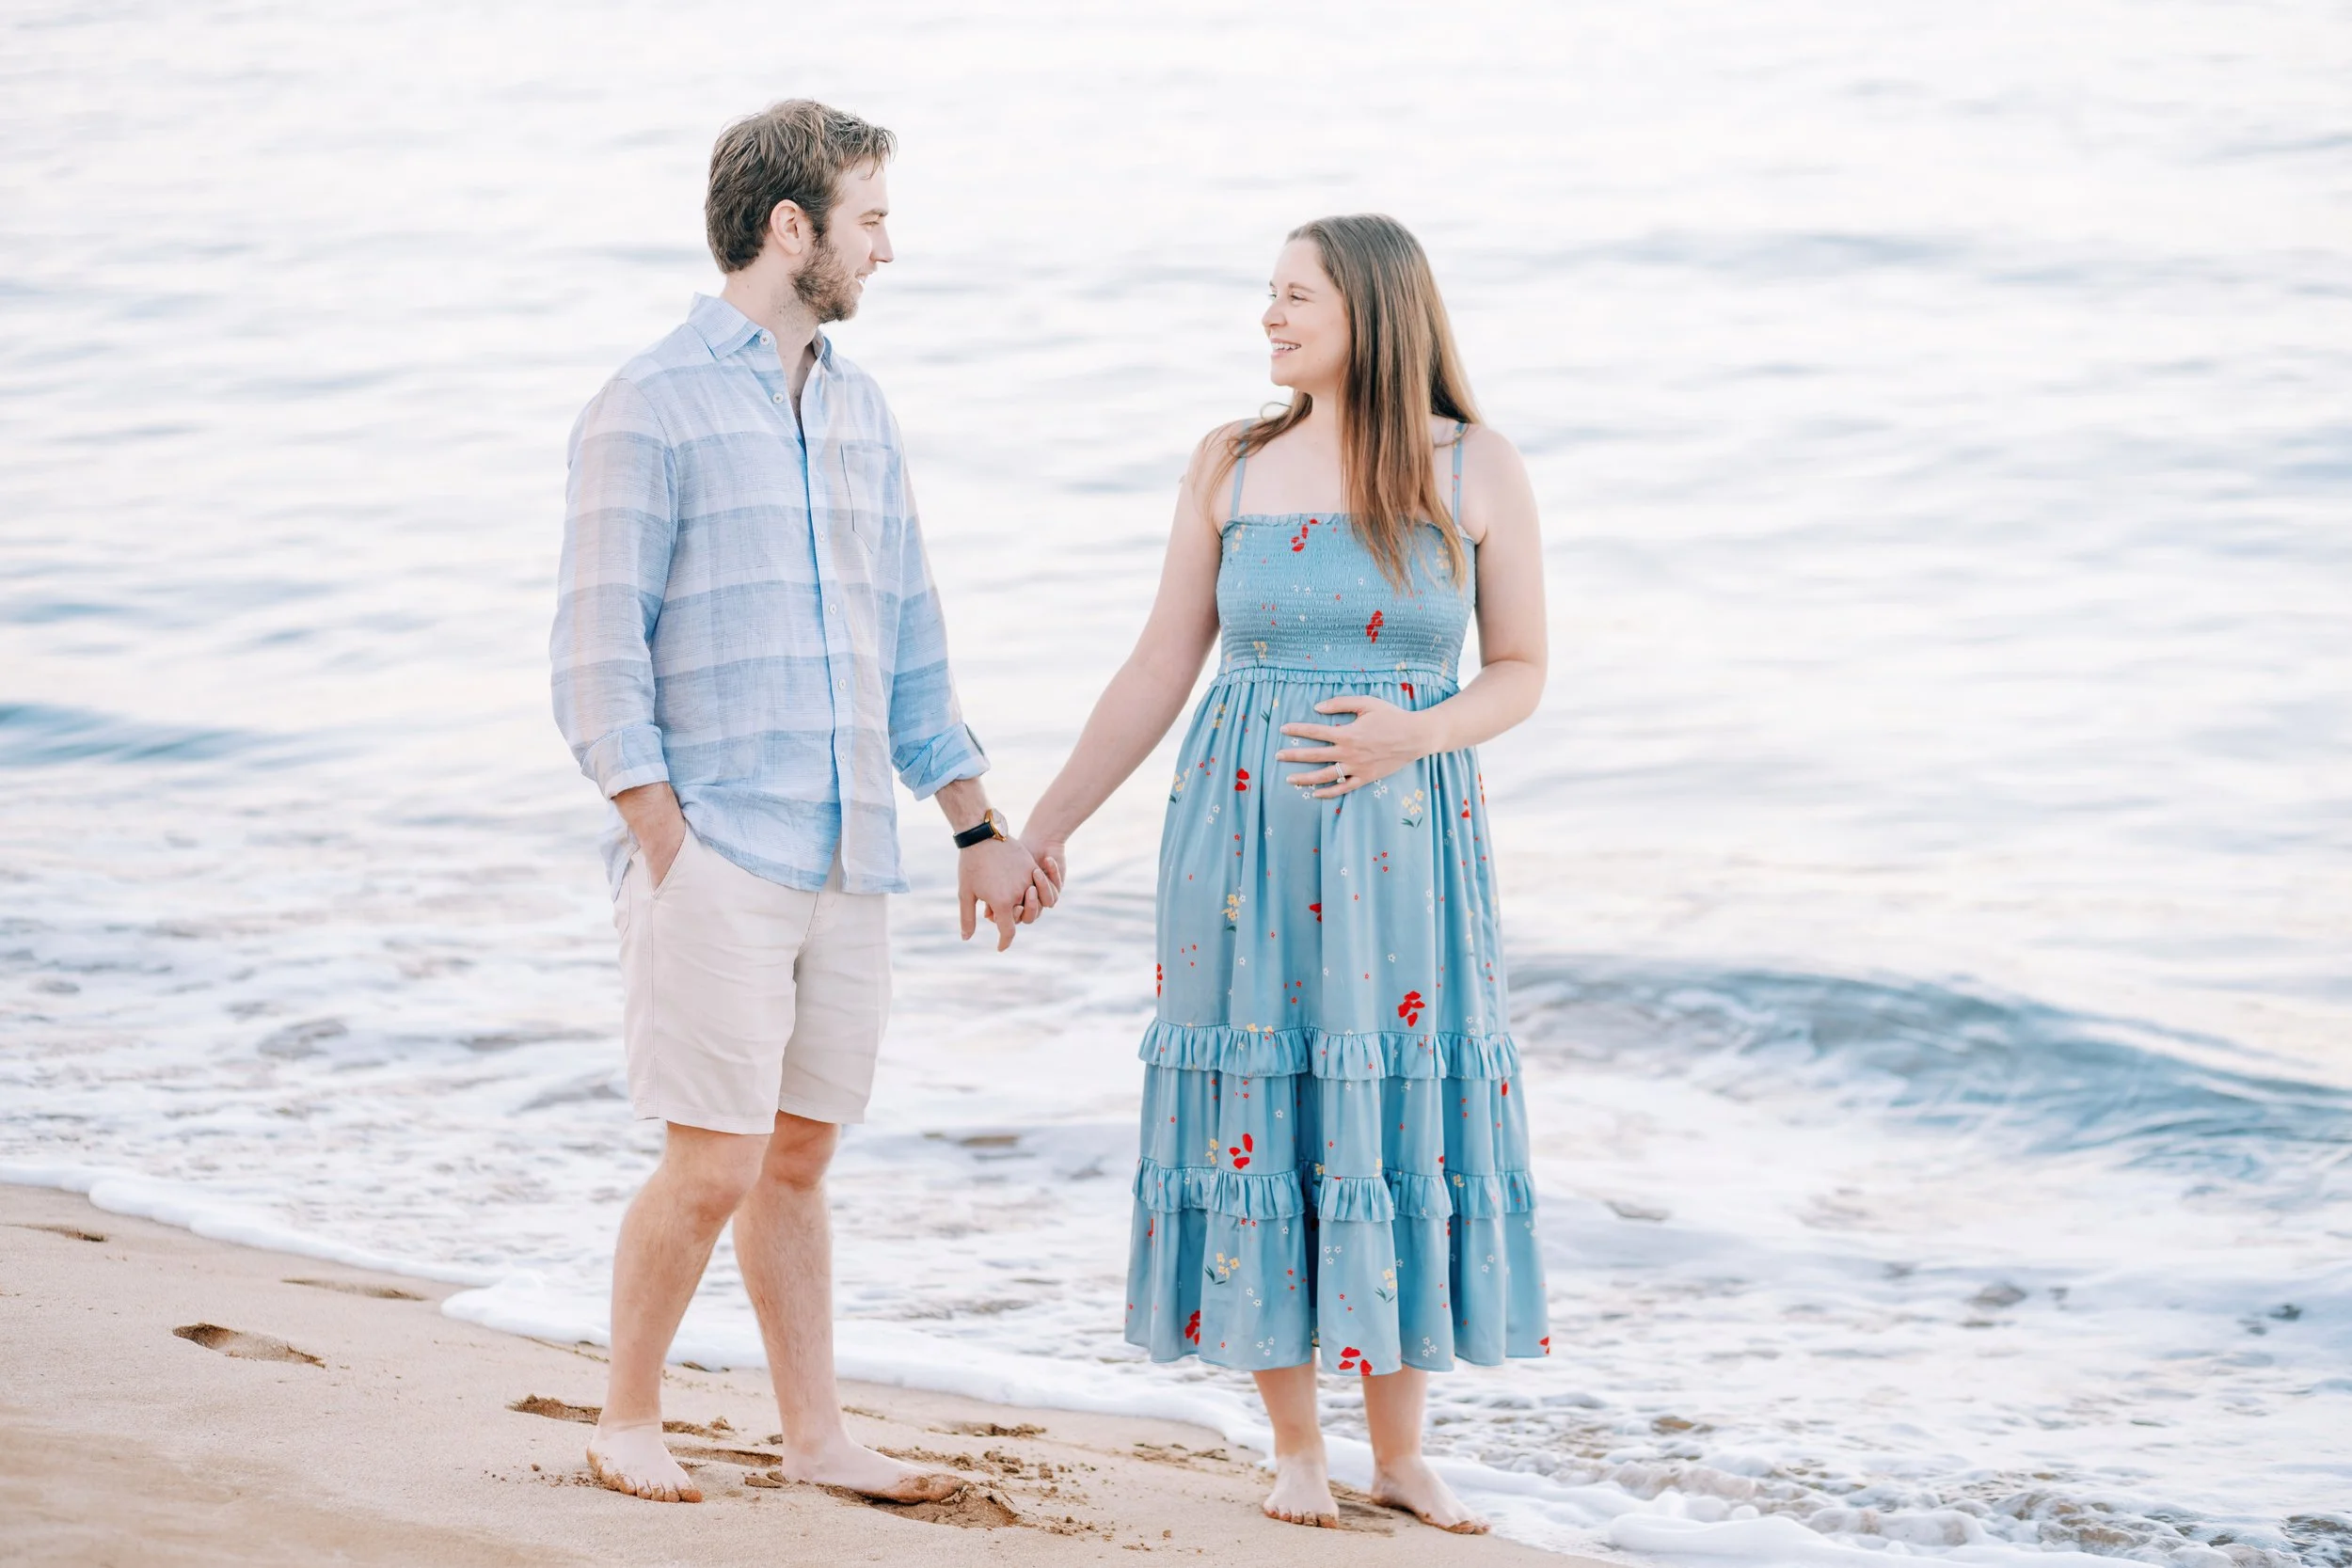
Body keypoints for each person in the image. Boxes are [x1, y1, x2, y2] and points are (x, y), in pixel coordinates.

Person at [549, 99, 1054, 1504]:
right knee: (710, 1159)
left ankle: (815, 1435)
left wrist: (972, 820)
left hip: (851, 852)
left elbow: (911, 638)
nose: (888, 247)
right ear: (794, 228)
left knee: (801, 1156)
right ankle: (625, 1414)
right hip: (715, 847)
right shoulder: (648, 402)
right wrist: (668, 843)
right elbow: (596, 655)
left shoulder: (857, 406)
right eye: (872, 217)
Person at [1021, 214, 1549, 1533]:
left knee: (1395, 1110)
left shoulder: (1475, 464)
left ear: (1373, 308)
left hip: (1406, 845)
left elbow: (1522, 669)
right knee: (1261, 1104)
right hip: (1240, 839)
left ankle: (1404, 1450)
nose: (1269, 316)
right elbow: (1159, 663)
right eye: (1268, 295)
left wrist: (1412, 730)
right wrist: (1048, 824)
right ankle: (1297, 1445)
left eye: (1295, 296)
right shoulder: (1232, 462)